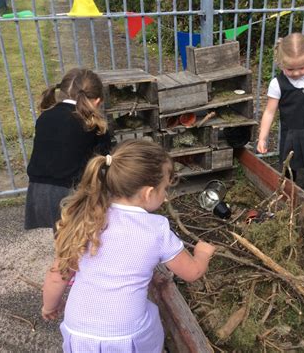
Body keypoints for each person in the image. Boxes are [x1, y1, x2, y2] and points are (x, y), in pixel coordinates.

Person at [41, 139, 216, 352]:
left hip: (79, 331)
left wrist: (50, 306)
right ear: (148, 193)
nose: (166, 195)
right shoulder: (156, 228)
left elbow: (56, 275)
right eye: (164, 189)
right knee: (151, 318)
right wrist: (202, 254)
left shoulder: (85, 219)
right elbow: (192, 272)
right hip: (127, 336)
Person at [25, 68, 111, 231]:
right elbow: (104, 159)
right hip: (70, 191)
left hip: (38, 190)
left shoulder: (45, 115)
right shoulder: (92, 124)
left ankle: (63, 254)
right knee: (81, 236)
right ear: (97, 101)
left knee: (63, 233)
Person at [257, 32, 304, 199]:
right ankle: (288, 196)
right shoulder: (277, 84)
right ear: (280, 62)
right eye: (290, 69)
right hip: (293, 134)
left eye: (301, 68)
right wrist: (262, 137)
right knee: (291, 167)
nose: (297, 72)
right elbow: (269, 112)